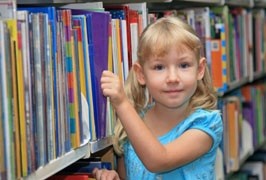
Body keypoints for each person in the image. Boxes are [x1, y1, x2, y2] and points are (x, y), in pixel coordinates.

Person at [93, 16, 223, 179]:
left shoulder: (207, 124)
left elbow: (159, 160)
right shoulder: (133, 125)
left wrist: (122, 104)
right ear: (141, 74)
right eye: (159, 67)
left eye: (183, 65)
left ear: (200, 69)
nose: (173, 78)